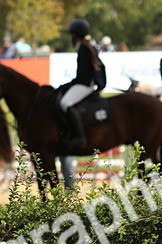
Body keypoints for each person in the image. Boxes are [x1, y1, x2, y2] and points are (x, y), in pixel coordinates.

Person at [58, 18, 105, 152]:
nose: (71, 36)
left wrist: (69, 85)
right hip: (85, 83)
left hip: (85, 85)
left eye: (72, 34)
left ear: (75, 34)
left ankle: (80, 137)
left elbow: (83, 76)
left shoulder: (84, 48)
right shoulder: (86, 46)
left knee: (65, 103)